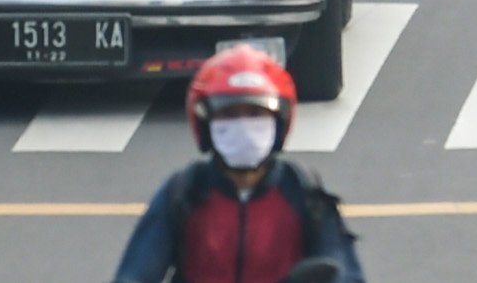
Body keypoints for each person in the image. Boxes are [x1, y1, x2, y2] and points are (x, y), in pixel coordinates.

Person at [110, 46, 363, 283]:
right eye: (230, 115)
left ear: (279, 123)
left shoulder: (304, 193)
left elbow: (345, 273)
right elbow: (134, 275)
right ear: (206, 124)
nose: (243, 125)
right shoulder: (184, 193)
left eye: (254, 115)